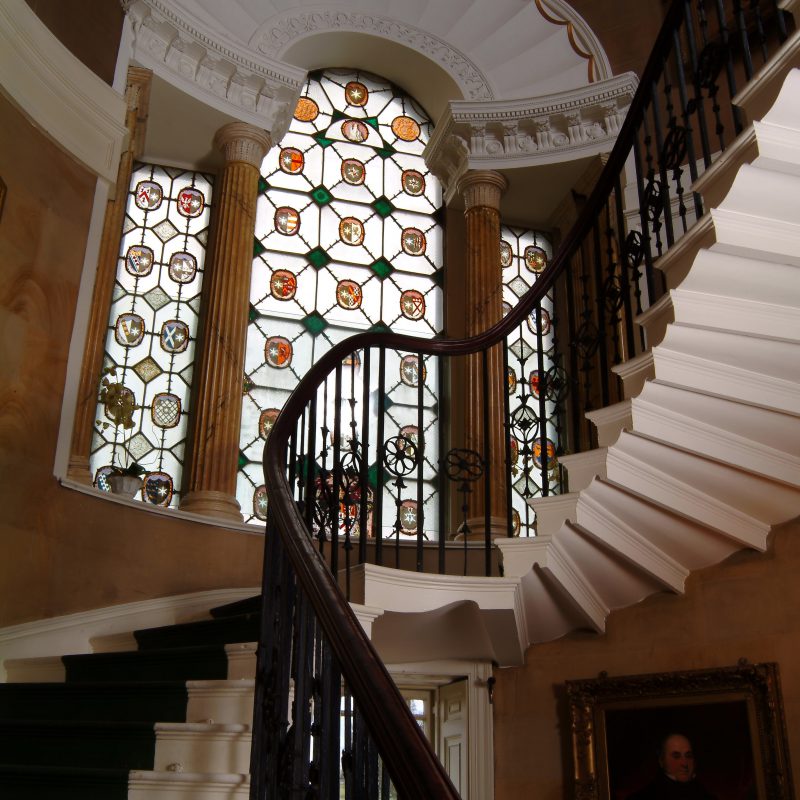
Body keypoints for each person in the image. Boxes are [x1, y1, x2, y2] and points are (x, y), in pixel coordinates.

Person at [627, 733, 716, 799]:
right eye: (676, 756)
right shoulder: (643, 797)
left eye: (688, 756)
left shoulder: (706, 796)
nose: (684, 763)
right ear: (662, 761)